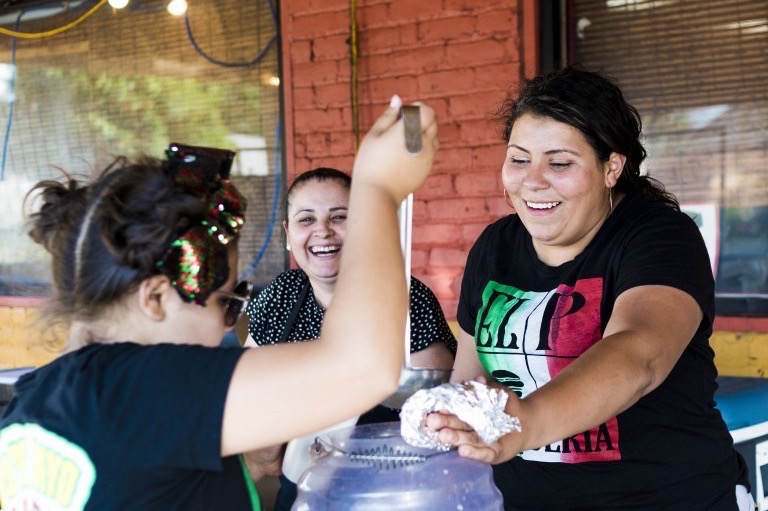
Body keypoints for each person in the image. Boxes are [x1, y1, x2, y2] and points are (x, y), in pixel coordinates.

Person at [0, 97, 438, 510]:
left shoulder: (37, 402)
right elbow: (360, 369)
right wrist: (377, 190)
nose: (227, 327)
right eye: (227, 302)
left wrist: (247, 464)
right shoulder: (143, 385)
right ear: (155, 298)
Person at [424, 67, 754, 510]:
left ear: (611, 167)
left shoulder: (658, 236)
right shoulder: (495, 246)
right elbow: (471, 380)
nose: (533, 180)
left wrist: (525, 423)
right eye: (519, 159)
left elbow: (639, 354)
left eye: (559, 162)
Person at [243, 166, 457, 510]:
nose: (322, 232)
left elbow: (438, 409)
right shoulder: (280, 296)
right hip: (304, 489)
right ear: (287, 233)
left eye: (339, 217)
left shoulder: (406, 298)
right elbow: (247, 394)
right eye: (306, 219)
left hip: (394, 490)